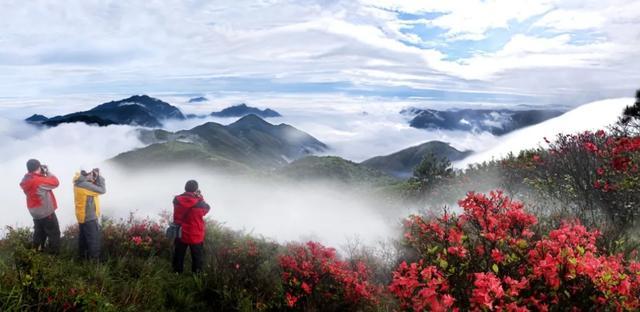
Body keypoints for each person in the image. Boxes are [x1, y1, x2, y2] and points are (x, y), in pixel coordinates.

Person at [19, 159, 61, 253]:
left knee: (39, 234)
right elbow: (55, 182)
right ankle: (54, 258)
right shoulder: (38, 181)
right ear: (38, 167)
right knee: (54, 234)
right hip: (45, 212)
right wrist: (47, 172)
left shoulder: (26, 180)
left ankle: (36, 254)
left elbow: (36, 181)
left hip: (35, 213)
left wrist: (40, 173)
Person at [172, 180, 211, 273]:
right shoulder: (200, 203)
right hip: (195, 234)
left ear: (185, 188)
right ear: (196, 189)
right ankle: (196, 274)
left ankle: (177, 272)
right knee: (197, 257)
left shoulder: (176, 200)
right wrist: (200, 197)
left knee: (179, 254)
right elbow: (207, 208)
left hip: (180, 232)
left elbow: (183, 199)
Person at [73, 168, 106, 260]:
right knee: (93, 240)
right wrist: (100, 177)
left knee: (83, 239)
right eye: (92, 174)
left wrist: (93, 178)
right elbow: (102, 190)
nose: (93, 175)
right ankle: (95, 262)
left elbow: (93, 188)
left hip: (82, 215)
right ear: (88, 174)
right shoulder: (85, 185)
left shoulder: (79, 182)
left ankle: (82, 258)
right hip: (89, 216)